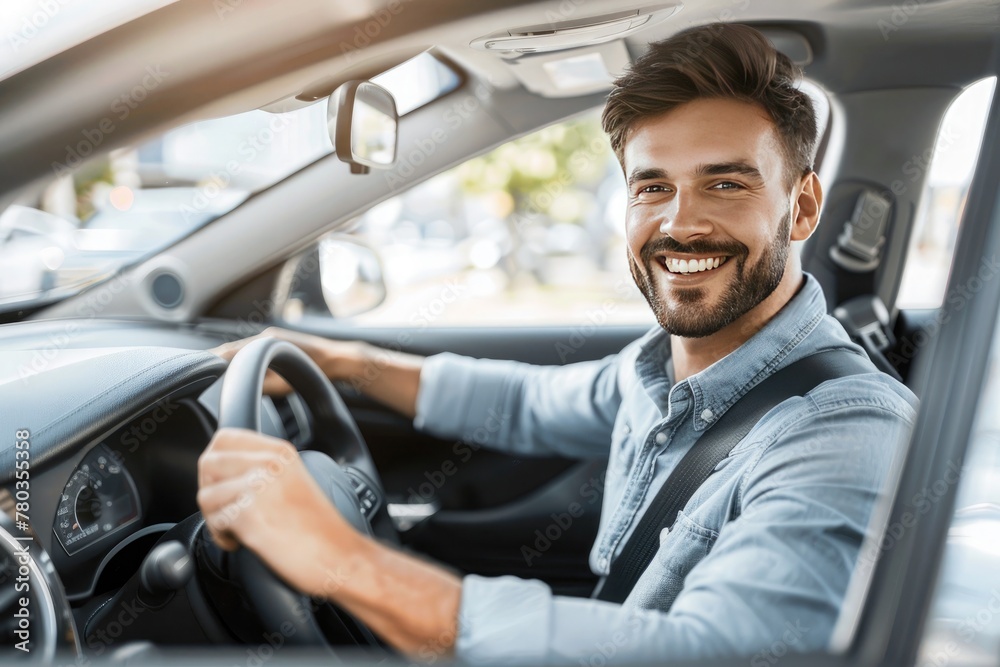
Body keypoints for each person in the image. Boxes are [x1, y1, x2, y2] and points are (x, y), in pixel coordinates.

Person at [198, 23, 917, 664]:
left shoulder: (844, 429)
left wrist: (337, 557)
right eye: (652, 186)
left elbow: (714, 651)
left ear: (803, 207)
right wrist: (340, 362)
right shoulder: (660, 369)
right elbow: (528, 403)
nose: (680, 223)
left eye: (726, 184)